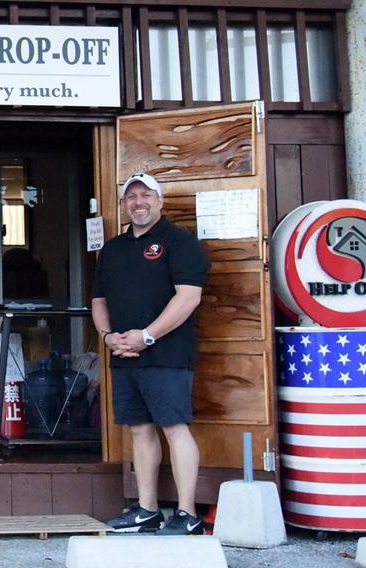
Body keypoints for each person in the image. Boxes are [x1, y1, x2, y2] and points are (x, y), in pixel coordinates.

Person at [91, 172, 211, 535]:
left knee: (175, 429)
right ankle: (147, 510)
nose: (138, 202)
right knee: (139, 430)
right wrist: (108, 336)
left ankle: (188, 515)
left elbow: (189, 297)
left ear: (160, 201)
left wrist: (147, 336)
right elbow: (98, 300)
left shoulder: (179, 241)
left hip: (167, 355)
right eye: (131, 196)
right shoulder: (111, 249)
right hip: (124, 355)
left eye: (146, 195)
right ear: (124, 204)